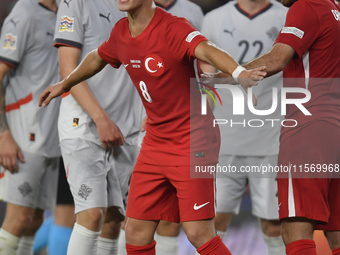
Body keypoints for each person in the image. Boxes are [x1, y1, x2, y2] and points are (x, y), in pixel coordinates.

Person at [39, 0, 266, 254]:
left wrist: (238, 73)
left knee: (198, 233)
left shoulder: (173, 27)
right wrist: (66, 83)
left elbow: (207, 49)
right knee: (135, 231)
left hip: (192, 140)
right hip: (156, 140)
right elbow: (96, 58)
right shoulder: (121, 32)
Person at [219, 0, 340, 254]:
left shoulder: (306, 6)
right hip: (334, 128)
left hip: (308, 129)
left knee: (296, 227)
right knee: (337, 231)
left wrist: (226, 76)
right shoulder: (334, 9)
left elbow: (277, 59)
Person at [53, 0, 144, 254]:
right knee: (92, 214)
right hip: (83, 126)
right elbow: (67, 69)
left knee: (114, 221)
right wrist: (101, 120)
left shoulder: (138, 6)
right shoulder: (76, 3)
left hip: (126, 130)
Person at [200, 0, 287, 254]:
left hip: (273, 137)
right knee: (213, 220)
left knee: (274, 224)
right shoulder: (214, 19)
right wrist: (199, 120)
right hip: (225, 138)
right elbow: (207, 77)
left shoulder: (288, 16)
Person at [0, 0, 60, 254]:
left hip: (53, 135)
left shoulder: (68, 13)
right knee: (19, 218)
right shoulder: (25, 12)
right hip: (24, 132)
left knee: (35, 221)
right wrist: (3, 133)